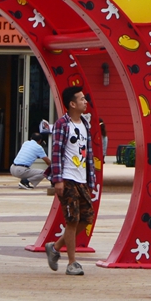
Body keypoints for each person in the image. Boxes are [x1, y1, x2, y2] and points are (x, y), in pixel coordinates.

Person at [45, 85, 95, 276]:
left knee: (86, 218)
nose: (85, 102)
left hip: (81, 179)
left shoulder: (85, 124)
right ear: (72, 104)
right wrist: (58, 180)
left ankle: (55, 247)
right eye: (81, 99)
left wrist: (90, 180)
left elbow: (88, 154)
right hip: (67, 178)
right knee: (72, 220)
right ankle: (72, 263)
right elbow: (56, 153)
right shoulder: (62, 125)